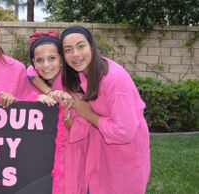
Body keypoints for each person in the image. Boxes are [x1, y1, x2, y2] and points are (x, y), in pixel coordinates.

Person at [60, 26, 150, 194]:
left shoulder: (114, 79)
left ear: (91, 47)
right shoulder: (80, 74)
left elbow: (125, 132)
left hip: (125, 155)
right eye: (68, 50)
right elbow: (35, 71)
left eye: (81, 46)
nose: (76, 54)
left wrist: (88, 114)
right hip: (101, 152)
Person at [28, 31, 88, 194]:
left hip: (69, 159)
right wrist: (40, 99)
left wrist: (65, 111)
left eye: (52, 58)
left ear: (62, 59)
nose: (46, 65)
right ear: (34, 62)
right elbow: (29, 72)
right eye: (39, 60)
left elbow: (81, 132)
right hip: (42, 157)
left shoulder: (76, 87)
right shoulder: (32, 84)